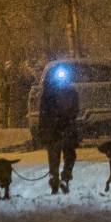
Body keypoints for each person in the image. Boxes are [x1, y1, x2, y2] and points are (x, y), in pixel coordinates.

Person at [38, 63, 81, 194]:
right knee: (55, 157)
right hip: (55, 130)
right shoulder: (48, 93)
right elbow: (43, 113)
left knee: (67, 156)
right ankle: (56, 181)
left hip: (65, 129)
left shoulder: (71, 92)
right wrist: (44, 129)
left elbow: (75, 110)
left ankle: (64, 178)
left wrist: (68, 120)